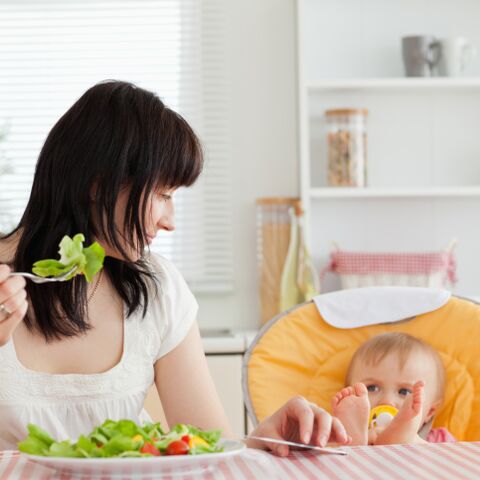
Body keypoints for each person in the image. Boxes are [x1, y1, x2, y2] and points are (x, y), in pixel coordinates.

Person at [0, 80, 348, 455]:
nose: (170, 221)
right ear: (99, 185)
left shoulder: (158, 288)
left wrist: (264, 441)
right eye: (163, 195)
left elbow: (209, 448)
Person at [331, 332, 456, 445]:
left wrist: (416, 443)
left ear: (429, 412)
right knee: (333, 444)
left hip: (421, 460)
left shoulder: (441, 441)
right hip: (357, 464)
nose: (386, 401)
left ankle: (409, 440)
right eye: (372, 388)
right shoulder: (334, 433)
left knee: (433, 454)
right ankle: (352, 441)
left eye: (404, 391)